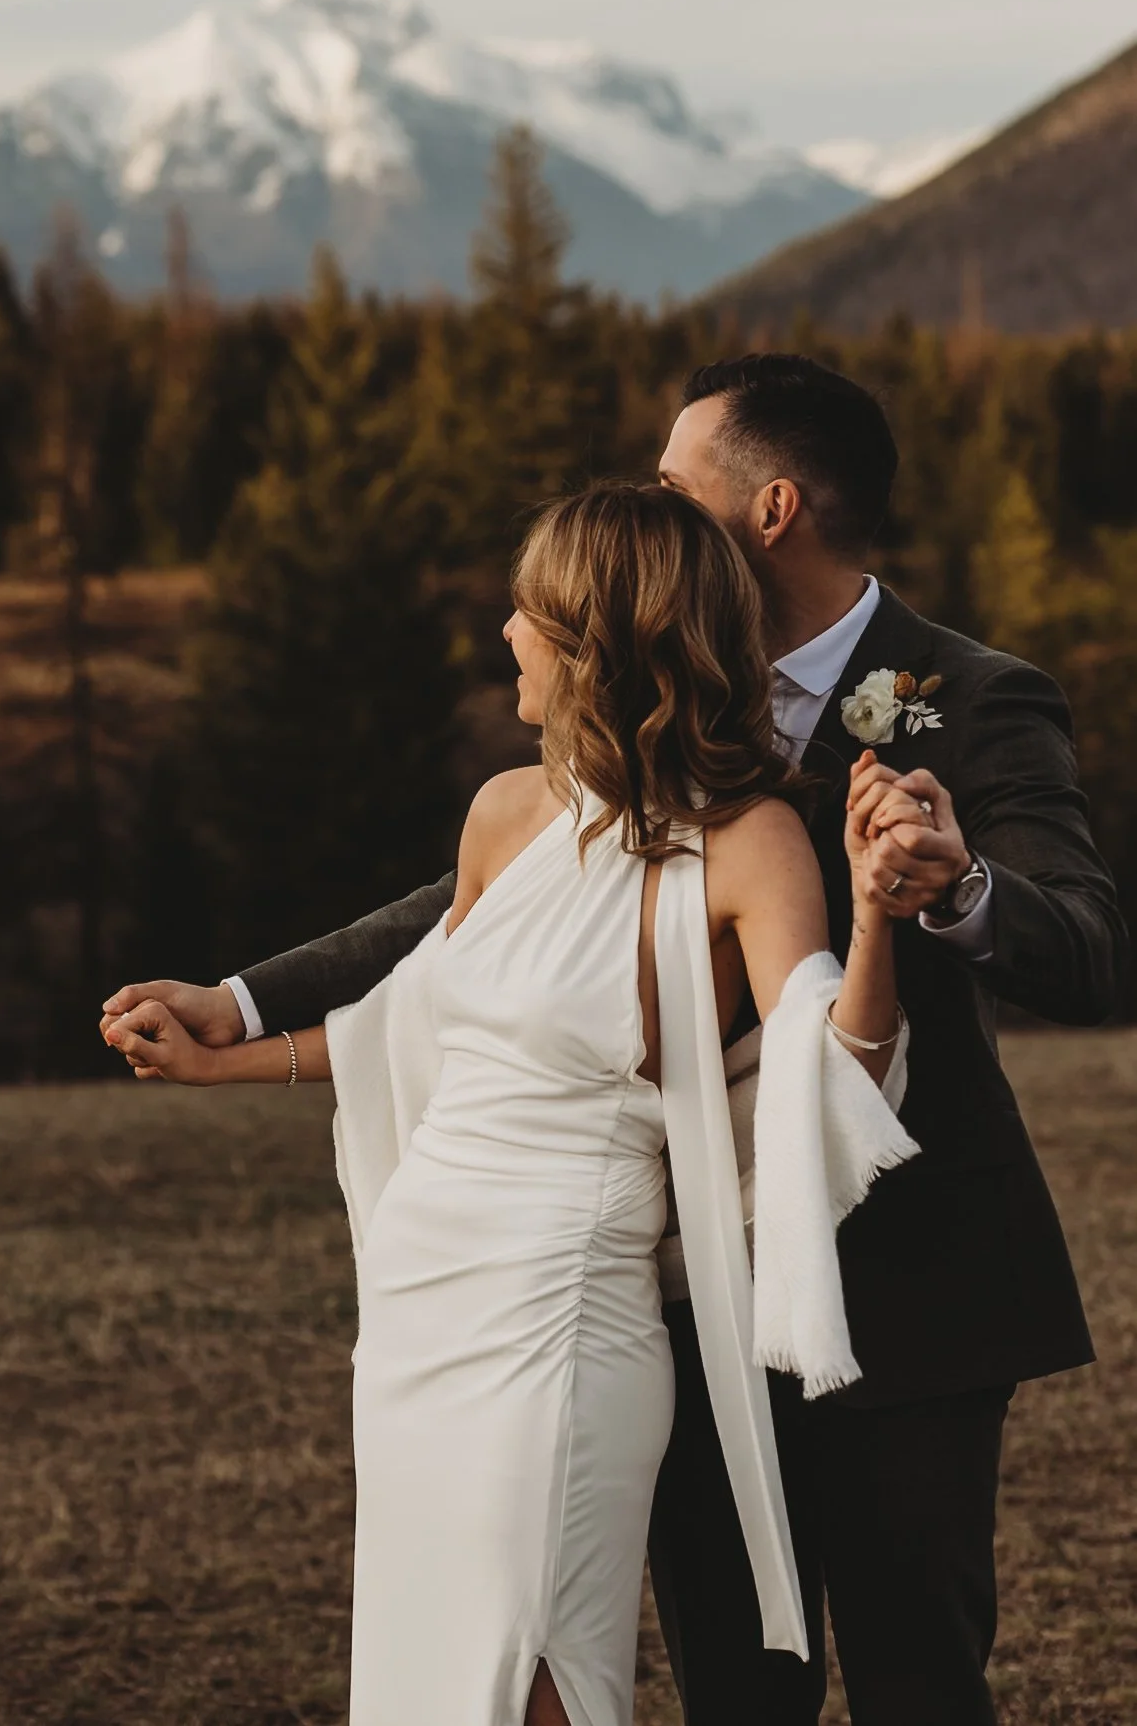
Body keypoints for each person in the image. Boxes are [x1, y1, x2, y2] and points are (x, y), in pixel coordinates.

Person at [106, 355, 1128, 1726]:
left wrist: (949, 884)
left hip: (907, 1277)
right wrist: (243, 1001)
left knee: (913, 1680)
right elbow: (507, 899)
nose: (644, 504)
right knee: (732, 1687)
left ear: (769, 510)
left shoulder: (956, 691)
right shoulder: (638, 689)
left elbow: (1084, 941)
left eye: (669, 483)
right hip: (683, 1280)